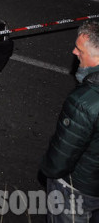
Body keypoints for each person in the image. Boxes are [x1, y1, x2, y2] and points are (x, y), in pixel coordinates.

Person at [40, 21, 99, 222]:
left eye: (80, 49)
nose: (74, 52)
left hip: (76, 187)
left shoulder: (84, 102)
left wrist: (49, 171)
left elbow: (63, 155)